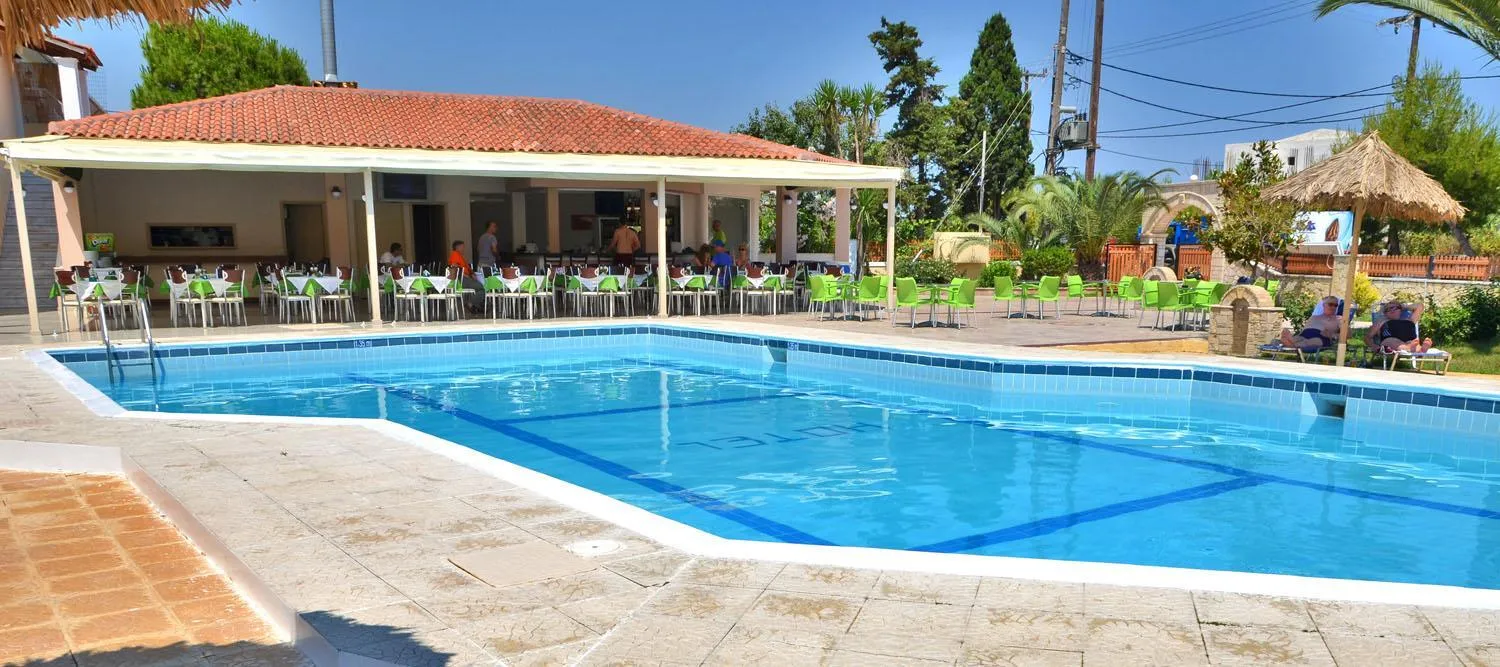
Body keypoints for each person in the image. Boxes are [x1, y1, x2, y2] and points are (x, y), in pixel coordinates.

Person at [1368, 300, 1433, 353]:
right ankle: (1413, 350)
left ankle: (1418, 350)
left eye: (1395, 308)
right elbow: (1367, 337)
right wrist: (1373, 346)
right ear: (1385, 313)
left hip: (1410, 341)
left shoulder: (1409, 320)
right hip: (1390, 340)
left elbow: (1420, 306)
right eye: (1388, 309)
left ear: (1401, 310)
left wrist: (1402, 306)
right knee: (1394, 342)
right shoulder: (1381, 321)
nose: (1392, 310)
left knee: (1412, 342)